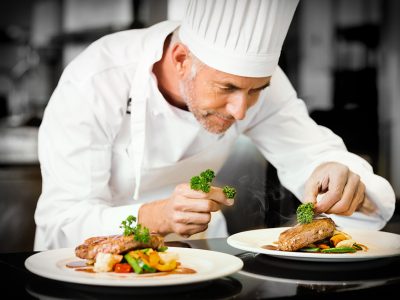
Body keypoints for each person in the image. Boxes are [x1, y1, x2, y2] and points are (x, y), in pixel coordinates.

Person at [34, 0, 395, 250]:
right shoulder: (97, 79)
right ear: (180, 59)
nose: (241, 110)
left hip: (201, 258)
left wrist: (336, 173)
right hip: (94, 269)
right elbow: (61, 223)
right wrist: (156, 216)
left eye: (256, 90)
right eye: (227, 88)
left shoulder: (255, 83)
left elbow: (310, 153)